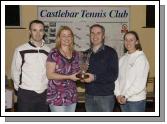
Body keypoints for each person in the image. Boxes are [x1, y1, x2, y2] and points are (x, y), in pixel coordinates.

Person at [11, 20, 51, 112]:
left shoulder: (49, 51)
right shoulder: (20, 50)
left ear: (44, 32)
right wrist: (21, 90)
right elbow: (15, 72)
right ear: (30, 32)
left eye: (40, 30)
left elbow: (49, 71)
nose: (38, 33)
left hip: (44, 94)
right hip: (26, 94)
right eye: (34, 30)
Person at [83, 24, 119, 112]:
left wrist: (94, 77)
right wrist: (82, 77)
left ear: (103, 36)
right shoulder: (85, 54)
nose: (95, 36)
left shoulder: (111, 52)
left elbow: (113, 75)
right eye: (92, 33)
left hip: (105, 97)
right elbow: (84, 72)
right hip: (89, 96)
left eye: (98, 33)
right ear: (90, 35)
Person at [46, 26, 80, 112]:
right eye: (64, 35)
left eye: (69, 35)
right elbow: (49, 75)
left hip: (72, 95)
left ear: (72, 38)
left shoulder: (76, 54)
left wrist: (82, 74)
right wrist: (69, 77)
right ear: (59, 38)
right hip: (57, 95)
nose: (66, 38)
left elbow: (77, 72)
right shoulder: (54, 53)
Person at [114, 31, 149, 112]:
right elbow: (116, 78)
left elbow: (140, 83)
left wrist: (126, 96)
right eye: (126, 40)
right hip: (122, 99)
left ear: (137, 42)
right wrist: (118, 94)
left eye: (131, 40)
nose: (128, 42)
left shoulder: (141, 58)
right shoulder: (122, 59)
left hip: (136, 101)